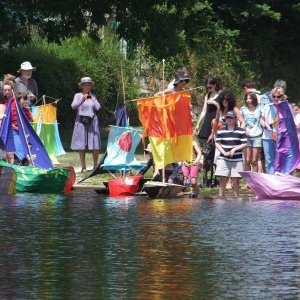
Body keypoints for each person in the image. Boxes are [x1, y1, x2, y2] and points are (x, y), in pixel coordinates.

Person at [261, 87, 299, 175]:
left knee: (282, 159)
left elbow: (292, 123)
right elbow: (262, 119)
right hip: (268, 136)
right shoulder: (268, 106)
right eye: (273, 96)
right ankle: (271, 180)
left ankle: (283, 179)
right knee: (269, 160)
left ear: (283, 96)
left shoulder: (288, 108)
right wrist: (264, 124)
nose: (276, 98)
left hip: (283, 138)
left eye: (278, 96)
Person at [70, 77, 101, 173]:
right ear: (82, 86)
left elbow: (98, 107)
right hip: (81, 121)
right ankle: (83, 166)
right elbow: (73, 106)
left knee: (95, 143)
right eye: (85, 84)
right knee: (81, 144)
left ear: (91, 86)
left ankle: (95, 166)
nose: (87, 86)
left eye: (89, 84)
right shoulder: (78, 95)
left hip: (92, 121)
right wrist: (82, 100)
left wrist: (91, 97)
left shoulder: (93, 96)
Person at [214, 111, 247, 197]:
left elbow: (244, 143)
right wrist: (224, 152)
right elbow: (217, 143)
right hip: (223, 158)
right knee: (222, 178)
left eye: (231, 117)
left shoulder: (241, 131)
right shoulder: (220, 131)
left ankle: (237, 199)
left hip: (237, 159)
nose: (229, 119)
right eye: (227, 117)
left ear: (235, 119)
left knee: (235, 180)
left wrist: (234, 150)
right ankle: (220, 198)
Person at [240, 92, 262, 172]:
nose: (248, 100)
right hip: (246, 136)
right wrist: (243, 130)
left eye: (250, 98)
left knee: (254, 160)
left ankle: (254, 181)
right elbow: (241, 122)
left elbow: (263, 119)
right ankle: (248, 181)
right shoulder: (243, 109)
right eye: (247, 99)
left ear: (254, 99)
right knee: (247, 160)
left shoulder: (260, 108)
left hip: (257, 135)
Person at [195, 77, 221, 141]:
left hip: (217, 120)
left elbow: (222, 109)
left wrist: (214, 103)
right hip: (208, 120)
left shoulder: (221, 94)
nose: (209, 89)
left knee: (217, 141)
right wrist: (198, 124)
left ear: (215, 85)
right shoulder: (207, 95)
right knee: (207, 143)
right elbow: (204, 111)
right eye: (207, 87)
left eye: (210, 87)